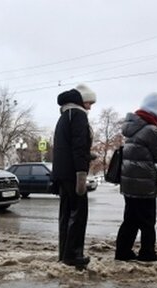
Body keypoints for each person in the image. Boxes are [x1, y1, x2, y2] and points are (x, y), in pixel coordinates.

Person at [114, 93, 157, 262]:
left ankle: (122, 252)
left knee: (130, 220)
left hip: (129, 183)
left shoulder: (132, 128)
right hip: (144, 185)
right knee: (147, 221)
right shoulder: (150, 130)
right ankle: (147, 253)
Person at [51, 84, 96, 268]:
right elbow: (78, 146)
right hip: (73, 174)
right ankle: (73, 254)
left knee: (65, 214)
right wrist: (81, 175)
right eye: (89, 102)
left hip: (63, 173)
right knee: (78, 214)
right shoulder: (78, 115)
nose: (90, 107)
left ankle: (64, 253)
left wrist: (86, 154)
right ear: (81, 100)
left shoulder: (64, 116)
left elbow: (66, 147)